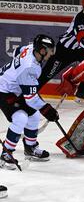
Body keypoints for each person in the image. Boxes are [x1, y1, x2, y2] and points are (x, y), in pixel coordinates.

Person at [0, 35, 60, 169]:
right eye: (50, 51)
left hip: (16, 88)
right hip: (4, 91)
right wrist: (47, 110)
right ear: (42, 51)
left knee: (34, 115)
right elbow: (31, 99)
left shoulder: (31, 48)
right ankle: (6, 153)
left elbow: (17, 52)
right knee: (20, 118)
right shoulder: (29, 68)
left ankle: (30, 147)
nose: (52, 53)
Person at [38, 0, 84, 101]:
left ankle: (82, 92)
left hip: (79, 50)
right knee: (47, 74)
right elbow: (83, 43)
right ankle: (29, 94)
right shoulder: (80, 20)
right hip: (64, 51)